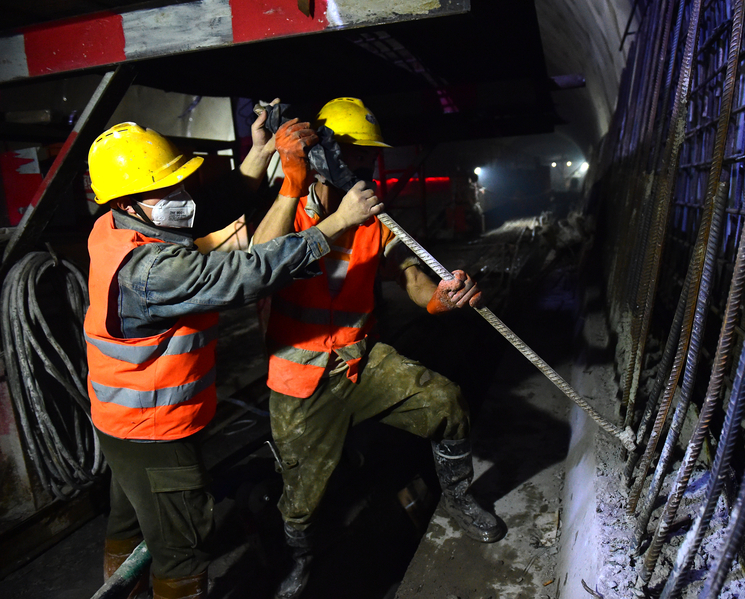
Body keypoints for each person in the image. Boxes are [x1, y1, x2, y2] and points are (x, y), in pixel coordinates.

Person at [84, 108, 382, 599]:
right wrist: (334, 225)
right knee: (182, 549)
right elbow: (247, 273)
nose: (181, 197)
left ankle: (119, 588)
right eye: (167, 189)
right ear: (128, 201)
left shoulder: (114, 227)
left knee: (130, 518)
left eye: (179, 182)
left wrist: (258, 154)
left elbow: (209, 206)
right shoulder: (152, 271)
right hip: (156, 429)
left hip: (119, 421)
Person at [252, 97, 505, 599]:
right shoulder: (290, 206)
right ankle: (300, 560)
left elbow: (411, 279)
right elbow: (259, 264)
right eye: (351, 151)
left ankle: (458, 496)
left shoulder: (374, 217)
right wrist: (292, 184)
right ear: (322, 152)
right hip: (300, 377)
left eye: (368, 154)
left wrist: (440, 298)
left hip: (360, 360)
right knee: (302, 497)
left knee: (445, 402)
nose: (362, 163)